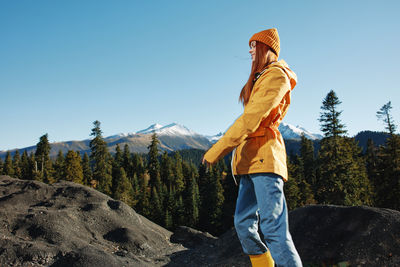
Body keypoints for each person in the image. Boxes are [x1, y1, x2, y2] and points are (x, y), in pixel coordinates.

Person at [201, 28, 302, 267]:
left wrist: (216, 152)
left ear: (267, 48)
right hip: (249, 162)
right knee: (243, 224)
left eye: (254, 45)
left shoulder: (277, 76)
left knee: (273, 229)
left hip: (266, 160)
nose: (250, 50)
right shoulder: (262, 76)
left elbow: (251, 119)